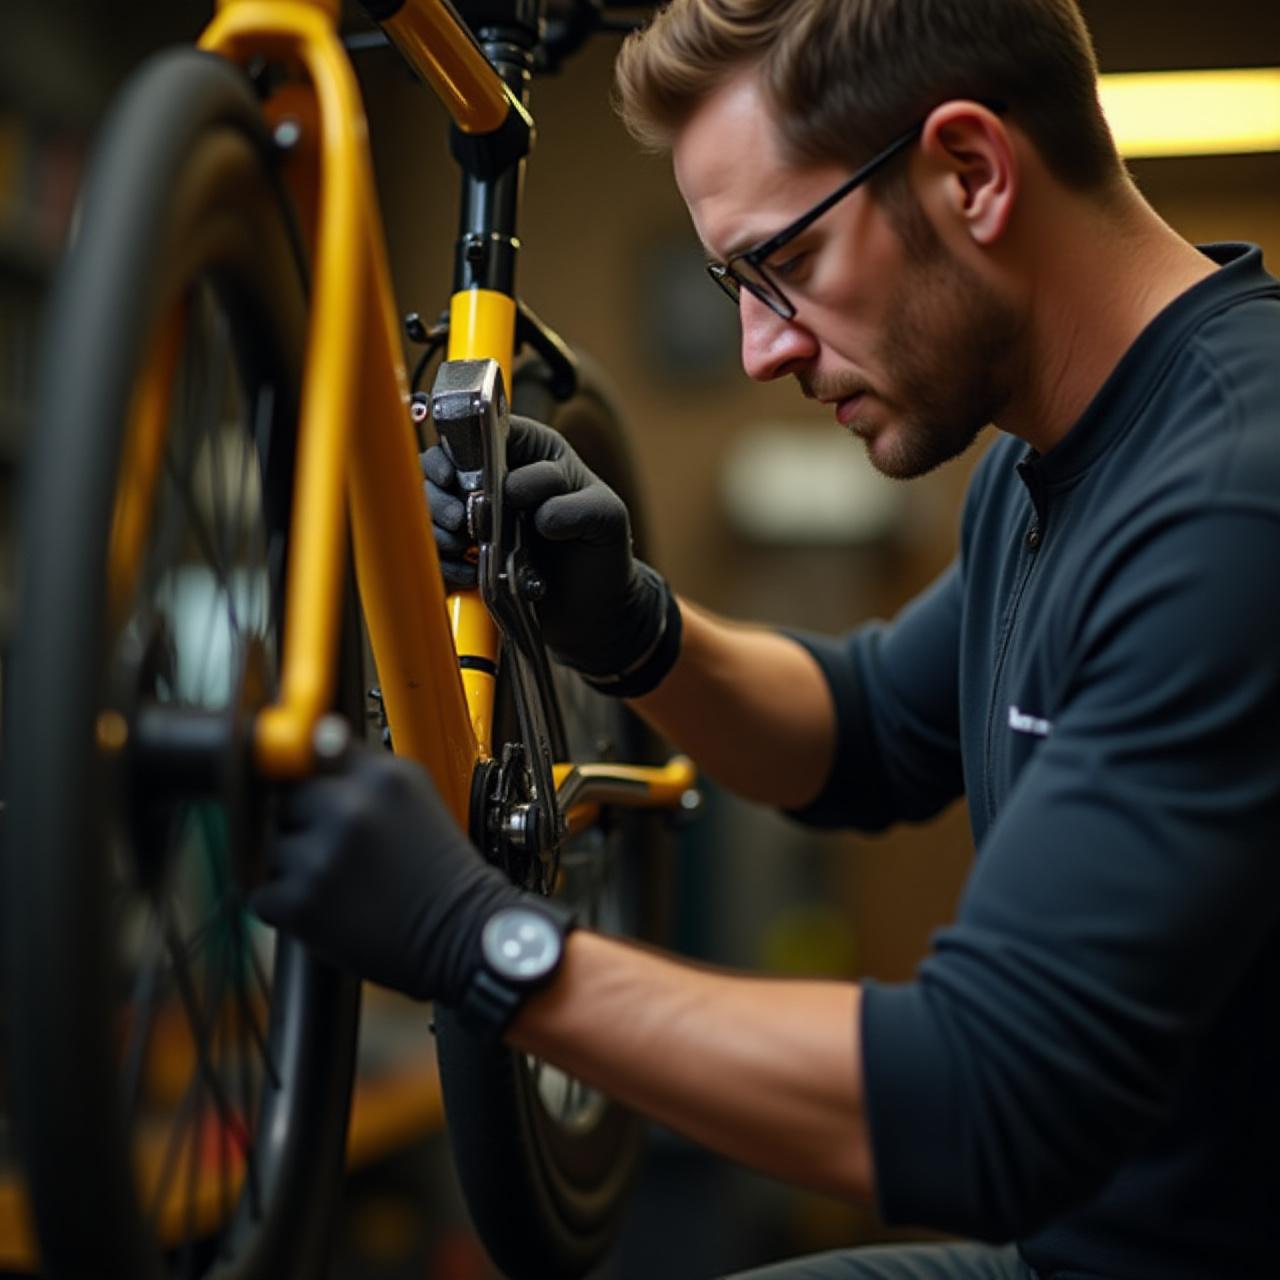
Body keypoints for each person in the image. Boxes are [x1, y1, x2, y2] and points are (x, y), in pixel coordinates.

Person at [250, 0, 1280, 1274]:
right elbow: (862, 731)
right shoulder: (1048, 460)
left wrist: (475, 939)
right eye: (735, 285)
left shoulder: (1230, 498)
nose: (758, 349)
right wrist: (631, 628)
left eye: (783, 261)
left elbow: (984, 1098)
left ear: (970, 171)